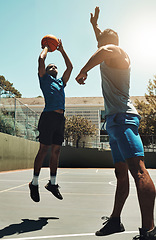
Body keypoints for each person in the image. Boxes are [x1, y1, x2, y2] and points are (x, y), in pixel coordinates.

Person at [76, 7, 156, 240]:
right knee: (121, 173)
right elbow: (102, 43)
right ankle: (115, 221)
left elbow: (104, 47)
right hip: (114, 121)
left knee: (139, 173)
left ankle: (150, 230)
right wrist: (95, 26)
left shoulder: (117, 51)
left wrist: (83, 71)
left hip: (123, 118)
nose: (98, 44)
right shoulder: (108, 49)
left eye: (101, 41)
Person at [29, 38, 73, 203]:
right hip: (48, 117)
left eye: (55, 67)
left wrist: (62, 51)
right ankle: (34, 183)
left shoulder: (61, 82)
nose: (54, 67)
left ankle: (52, 184)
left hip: (60, 119)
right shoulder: (44, 79)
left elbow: (70, 67)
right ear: (46, 71)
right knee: (43, 150)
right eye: (51, 67)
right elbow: (41, 59)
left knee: (56, 151)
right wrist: (47, 47)